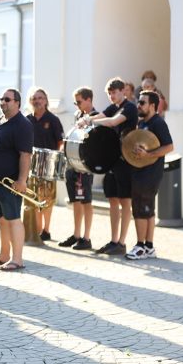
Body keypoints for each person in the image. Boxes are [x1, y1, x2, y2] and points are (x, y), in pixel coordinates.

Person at [78, 77, 138, 255]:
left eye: (114, 92)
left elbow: (113, 122)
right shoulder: (113, 106)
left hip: (126, 159)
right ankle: (113, 240)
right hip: (112, 159)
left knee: (125, 201)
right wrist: (86, 119)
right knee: (112, 199)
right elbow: (102, 116)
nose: (111, 96)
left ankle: (122, 242)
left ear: (123, 91)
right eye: (109, 93)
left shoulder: (129, 107)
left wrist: (90, 121)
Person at [0, 88, 33, 271]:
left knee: (13, 219)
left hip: (9, 182)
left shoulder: (22, 124)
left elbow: (25, 154)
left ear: (17, 102)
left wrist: (22, 180)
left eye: (7, 99)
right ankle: (4, 255)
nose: (3, 102)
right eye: (1, 99)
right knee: (1, 219)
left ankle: (17, 259)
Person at [125, 90, 174, 260]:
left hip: (150, 173)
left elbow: (169, 147)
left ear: (152, 106)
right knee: (144, 208)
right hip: (140, 171)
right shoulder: (142, 123)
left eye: (142, 103)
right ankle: (148, 246)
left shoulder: (158, 123)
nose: (138, 105)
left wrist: (148, 155)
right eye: (138, 102)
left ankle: (141, 246)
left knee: (142, 209)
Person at [59, 87, 97, 250]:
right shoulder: (78, 115)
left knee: (86, 201)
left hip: (85, 165)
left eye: (79, 102)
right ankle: (76, 234)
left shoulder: (96, 116)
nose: (76, 105)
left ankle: (86, 238)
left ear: (89, 100)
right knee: (75, 201)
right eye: (75, 102)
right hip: (73, 162)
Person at [26, 87, 64, 241]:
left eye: (40, 98)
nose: (37, 101)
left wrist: (57, 157)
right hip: (29, 164)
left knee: (48, 198)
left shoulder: (53, 120)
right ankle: (37, 229)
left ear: (46, 100)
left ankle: (46, 230)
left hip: (49, 164)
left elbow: (61, 142)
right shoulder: (26, 120)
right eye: (34, 98)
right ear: (31, 101)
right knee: (33, 197)